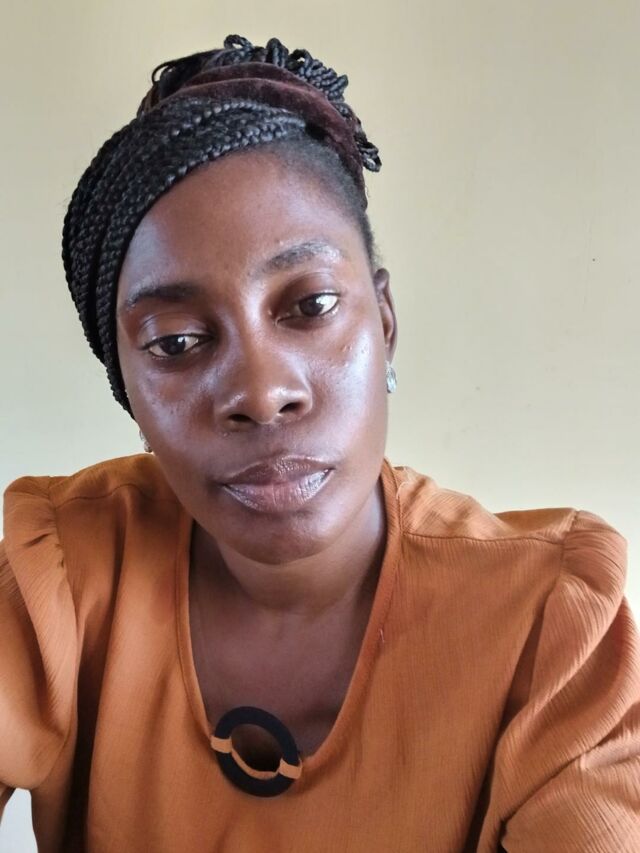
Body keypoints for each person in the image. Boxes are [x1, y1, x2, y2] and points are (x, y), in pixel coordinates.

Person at [1, 33, 639, 853]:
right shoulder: (63, 580)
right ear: (129, 391)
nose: (262, 392)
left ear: (385, 321)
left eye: (310, 307)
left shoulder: (549, 633)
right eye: (177, 341)